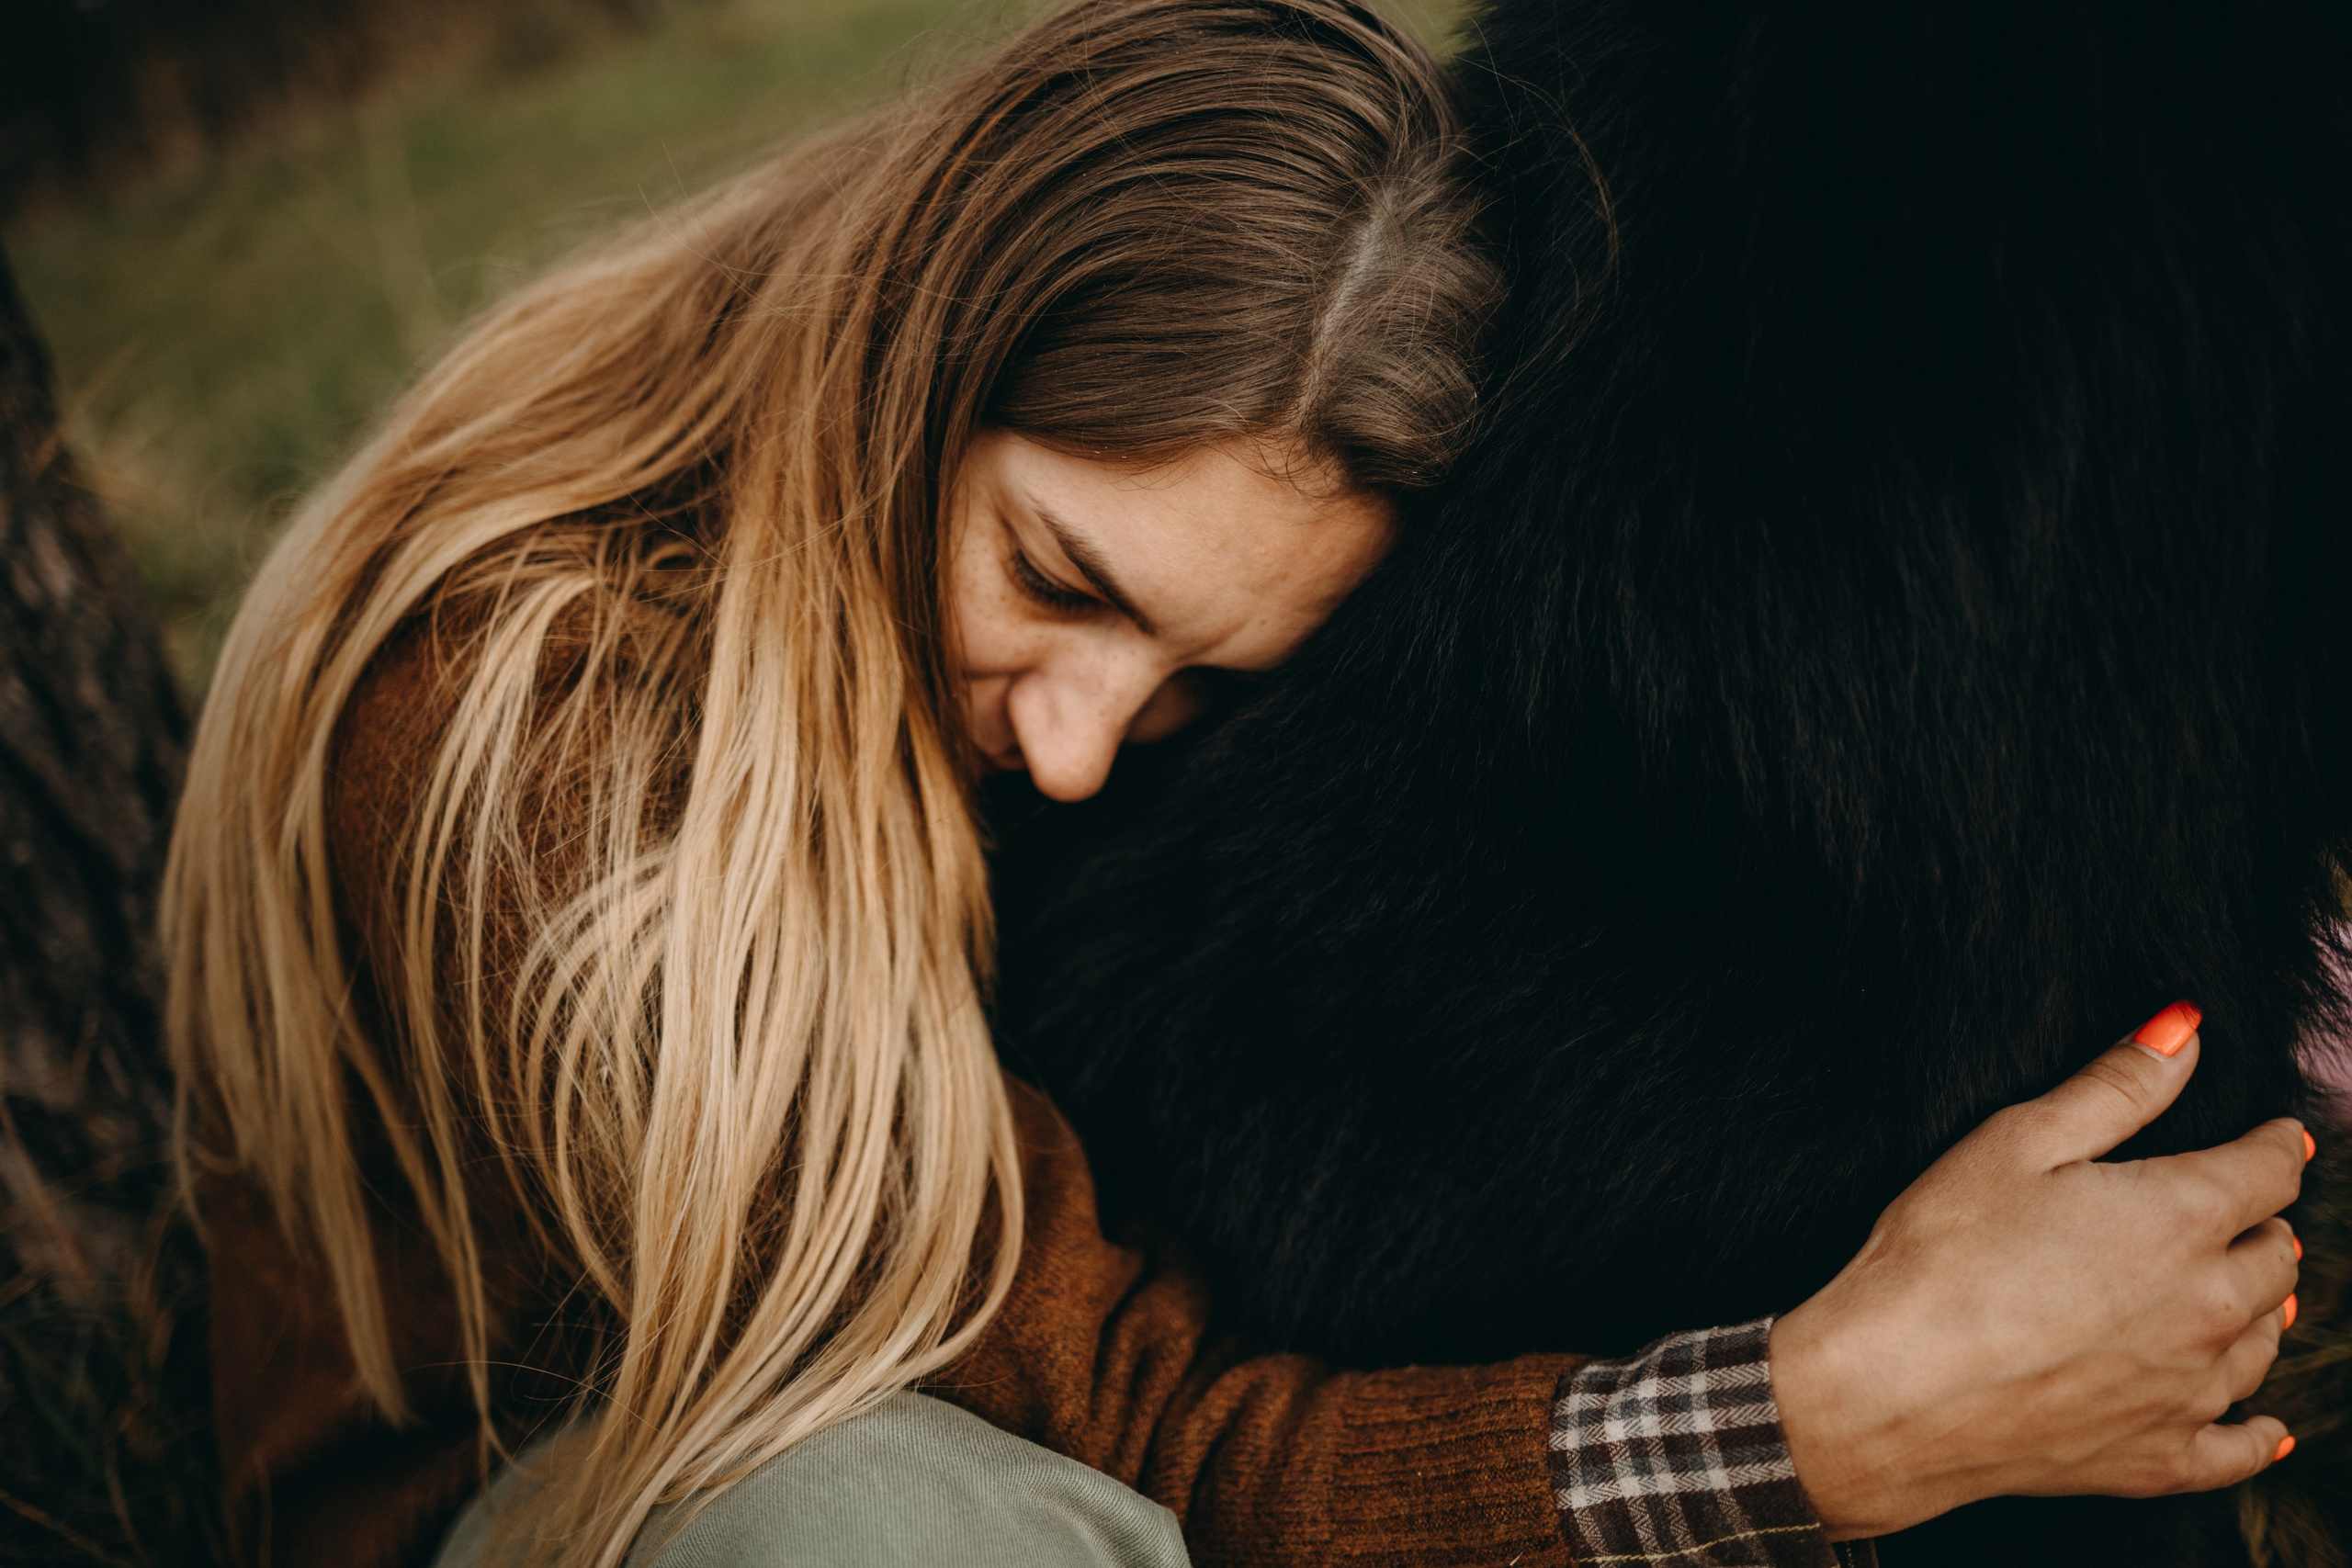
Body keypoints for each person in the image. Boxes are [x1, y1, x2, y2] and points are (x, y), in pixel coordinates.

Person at [164, 0, 2308, 1565]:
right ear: (921, 326)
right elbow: (1151, 1424)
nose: (1080, 738)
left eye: (1200, 678)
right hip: (589, 1498)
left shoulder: (936, 639)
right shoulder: (510, 725)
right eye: (1054, 574)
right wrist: (1823, 1417)